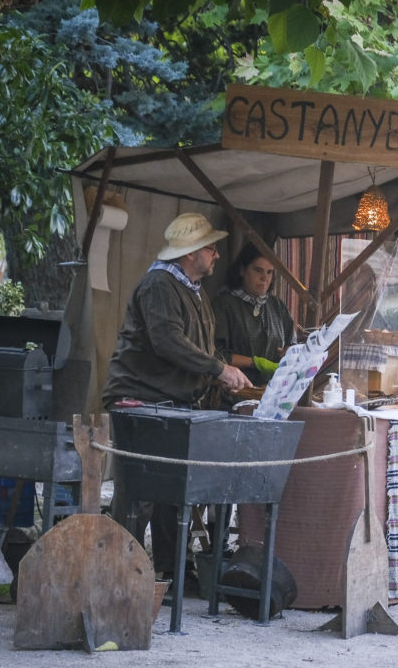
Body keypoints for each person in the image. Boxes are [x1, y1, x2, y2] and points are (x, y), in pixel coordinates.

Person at [102, 212, 253, 579]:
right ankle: (121, 575)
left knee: (172, 492)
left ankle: (169, 575)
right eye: (211, 249)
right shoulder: (159, 285)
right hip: (141, 400)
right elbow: (167, 341)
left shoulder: (192, 291)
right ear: (190, 253)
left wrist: (216, 371)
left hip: (170, 403)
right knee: (139, 493)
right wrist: (218, 369)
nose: (217, 255)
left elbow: (194, 347)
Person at [212, 243, 297, 387]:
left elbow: (292, 344)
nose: (264, 278)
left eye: (269, 272)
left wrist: (289, 352)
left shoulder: (277, 306)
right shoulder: (224, 305)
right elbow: (214, 355)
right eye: (258, 270)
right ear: (242, 270)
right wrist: (254, 363)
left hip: (271, 393)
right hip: (233, 393)